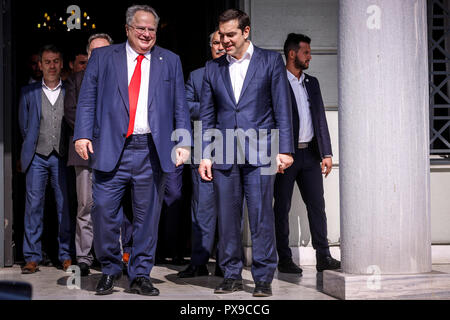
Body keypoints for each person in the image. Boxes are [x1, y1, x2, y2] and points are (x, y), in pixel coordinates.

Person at [73, 5, 191, 296]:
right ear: (127, 29)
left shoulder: (170, 60)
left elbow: (180, 105)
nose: (146, 34)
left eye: (151, 29)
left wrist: (184, 141)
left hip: (151, 148)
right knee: (103, 211)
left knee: (147, 217)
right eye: (141, 28)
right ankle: (111, 269)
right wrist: (82, 134)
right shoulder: (103, 57)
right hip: (113, 147)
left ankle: (140, 275)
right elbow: (87, 98)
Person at [198, 9, 294, 297]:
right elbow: (207, 116)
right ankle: (230, 274)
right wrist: (205, 154)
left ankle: (263, 278)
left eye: (230, 35)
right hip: (224, 152)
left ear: (246, 32)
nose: (224, 40)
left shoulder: (270, 61)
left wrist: (285, 150)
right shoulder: (212, 69)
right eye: (222, 35)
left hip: (262, 151)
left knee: (262, 215)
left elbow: (282, 108)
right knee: (228, 218)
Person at [273, 33, 340, 274]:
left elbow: (320, 118)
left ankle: (323, 256)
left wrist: (327, 153)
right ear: (292, 54)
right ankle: (284, 259)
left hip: (310, 155)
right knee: (281, 208)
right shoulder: (277, 81)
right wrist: (274, 154)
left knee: (317, 206)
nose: (310, 57)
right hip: (286, 156)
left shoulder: (312, 82)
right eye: (306, 53)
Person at [19, 44, 73, 274]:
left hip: (61, 156)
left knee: (64, 207)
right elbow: (24, 126)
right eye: (47, 62)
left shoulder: (69, 90)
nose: (52, 66)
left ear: (62, 64)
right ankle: (32, 256)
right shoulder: (28, 93)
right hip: (37, 156)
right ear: (40, 65)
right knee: (33, 207)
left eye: (56, 61)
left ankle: (65, 254)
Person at [64, 33, 113, 277]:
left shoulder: (120, 79)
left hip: (113, 152)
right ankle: (83, 257)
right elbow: (71, 113)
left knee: (111, 207)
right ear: (89, 54)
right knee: (85, 206)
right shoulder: (75, 80)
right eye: (94, 51)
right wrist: (95, 134)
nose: (99, 56)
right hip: (84, 152)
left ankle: (111, 256)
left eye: (104, 50)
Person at [177, 30, 225, 278]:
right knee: (202, 210)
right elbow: (184, 106)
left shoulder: (238, 75)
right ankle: (198, 263)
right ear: (210, 46)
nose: (220, 46)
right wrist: (213, 107)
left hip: (232, 151)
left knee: (230, 211)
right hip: (201, 152)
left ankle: (225, 264)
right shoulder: (196, 76)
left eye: (223, 42)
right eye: (215, 42)